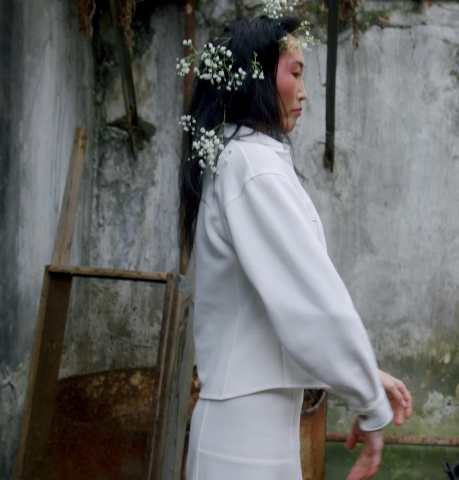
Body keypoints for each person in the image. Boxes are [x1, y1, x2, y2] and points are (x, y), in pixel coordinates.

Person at [178, 15, 412, 480]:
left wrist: (365, 376)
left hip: (253, 427)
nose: (304, 91)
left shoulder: (242, 159)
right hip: (244, 438)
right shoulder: (252, 167)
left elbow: (283, 314)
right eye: (296, 72)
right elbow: (314, 305)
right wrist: (368, 400)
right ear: (255, 76)